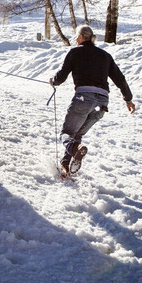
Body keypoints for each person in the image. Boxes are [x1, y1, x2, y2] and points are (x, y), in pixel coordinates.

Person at [50, 25, 136, 174]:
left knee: (67, 133)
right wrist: (128, 99)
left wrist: (53, 81)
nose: (76, 40)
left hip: (84, 98)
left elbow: (62, 75)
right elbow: (120, 79)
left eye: (77, 37)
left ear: (82, 37)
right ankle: (66, 163)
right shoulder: (105, 56)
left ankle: (75, 150)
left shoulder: (75, 52)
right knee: (77, 134)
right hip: (102, 103)